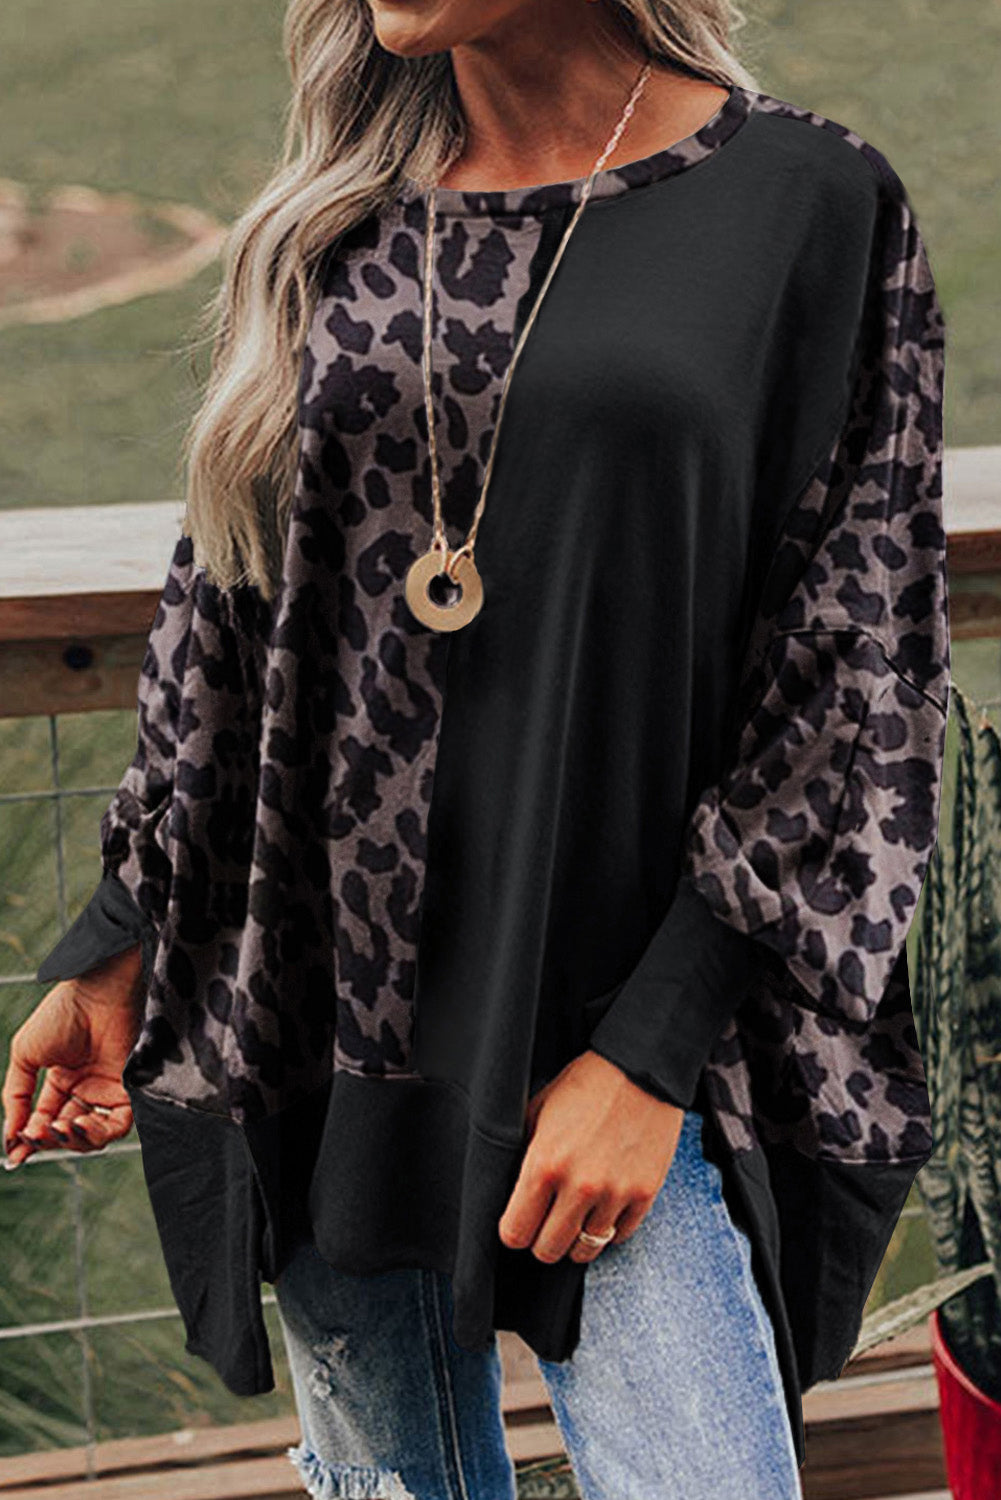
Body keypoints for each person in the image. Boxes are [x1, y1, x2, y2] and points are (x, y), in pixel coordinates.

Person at [2, 1, 951, 1497]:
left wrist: (646, 1056)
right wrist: (120, 939)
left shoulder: (806, 203)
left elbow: (856, 662)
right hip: (327, 1013)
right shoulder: (333, 213)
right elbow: (235, 608)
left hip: (628, 1031)